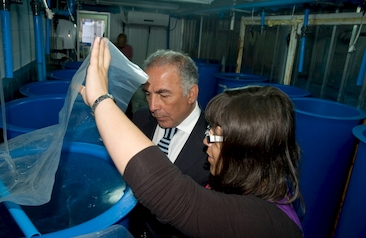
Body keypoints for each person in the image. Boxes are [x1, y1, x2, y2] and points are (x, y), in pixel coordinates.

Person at [80, 37, 304, 237]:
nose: (207, 141)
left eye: (215, 137)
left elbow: (175, 197)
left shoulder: (263, 223)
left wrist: (101, 101)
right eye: (148, 94)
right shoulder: (249, 188)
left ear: (245, 153)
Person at [131, 49, 210, 237]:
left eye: (163, 95)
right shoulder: (141, 118)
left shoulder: (215, 142)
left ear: (191, 94)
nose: (152, 106)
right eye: (148, 94)